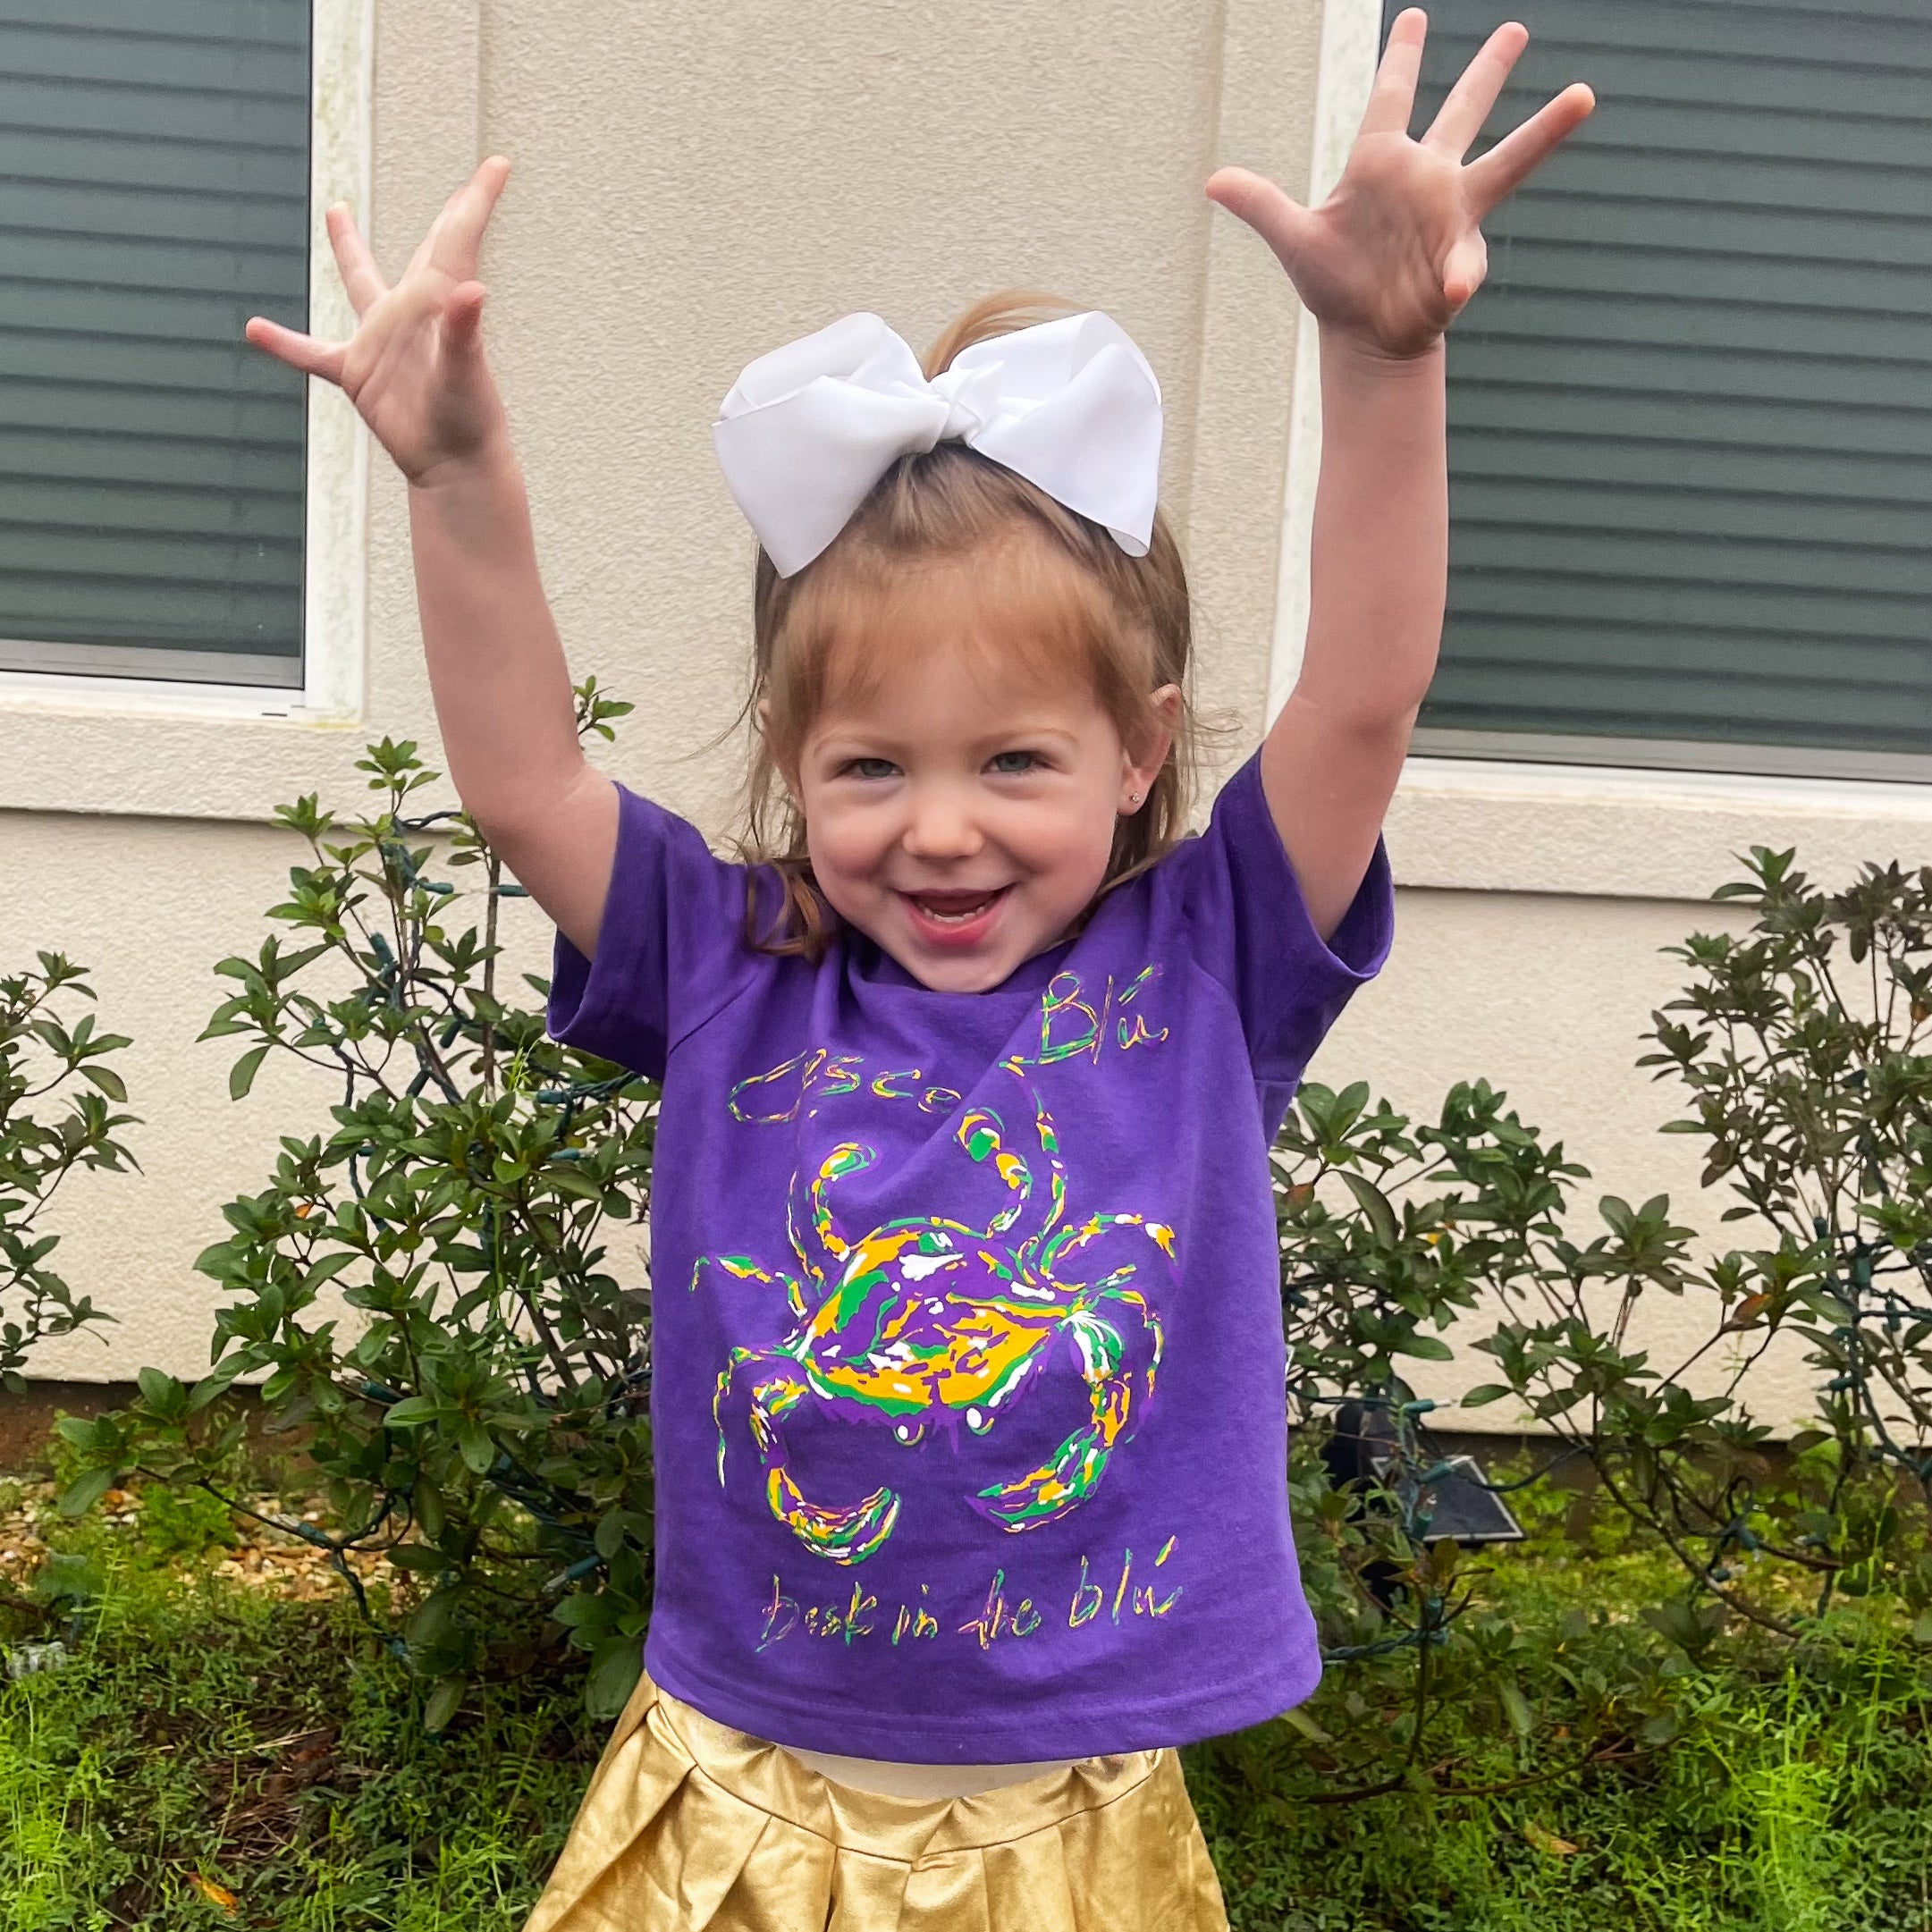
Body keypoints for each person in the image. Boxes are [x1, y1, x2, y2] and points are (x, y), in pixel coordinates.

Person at [248, 12, 1590, 1928]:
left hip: (1072, 1806)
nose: (938, 828)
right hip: (740, 1778)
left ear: (1137, 753)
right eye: (869, 764)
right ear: (794, 766)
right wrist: (457, 478)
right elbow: (525, 774)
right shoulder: (726, 963)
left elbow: (1363, 693)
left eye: (1015, 761)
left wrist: (1384, 363)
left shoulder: (1210, 955)